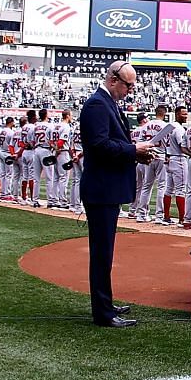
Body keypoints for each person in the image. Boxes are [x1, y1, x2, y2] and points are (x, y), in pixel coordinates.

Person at [80, 60, 154, 329]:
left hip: (107, 186)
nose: (130, 91)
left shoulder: (107, 103)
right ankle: (103, 312)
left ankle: (106, 303)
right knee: (101, 253)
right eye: (128, 85)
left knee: (105, 252)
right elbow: (99, 145)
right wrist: (133, 151)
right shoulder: (98, 104)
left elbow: (114, 143)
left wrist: (136, 153)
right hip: (101, 188)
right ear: (113, 79)